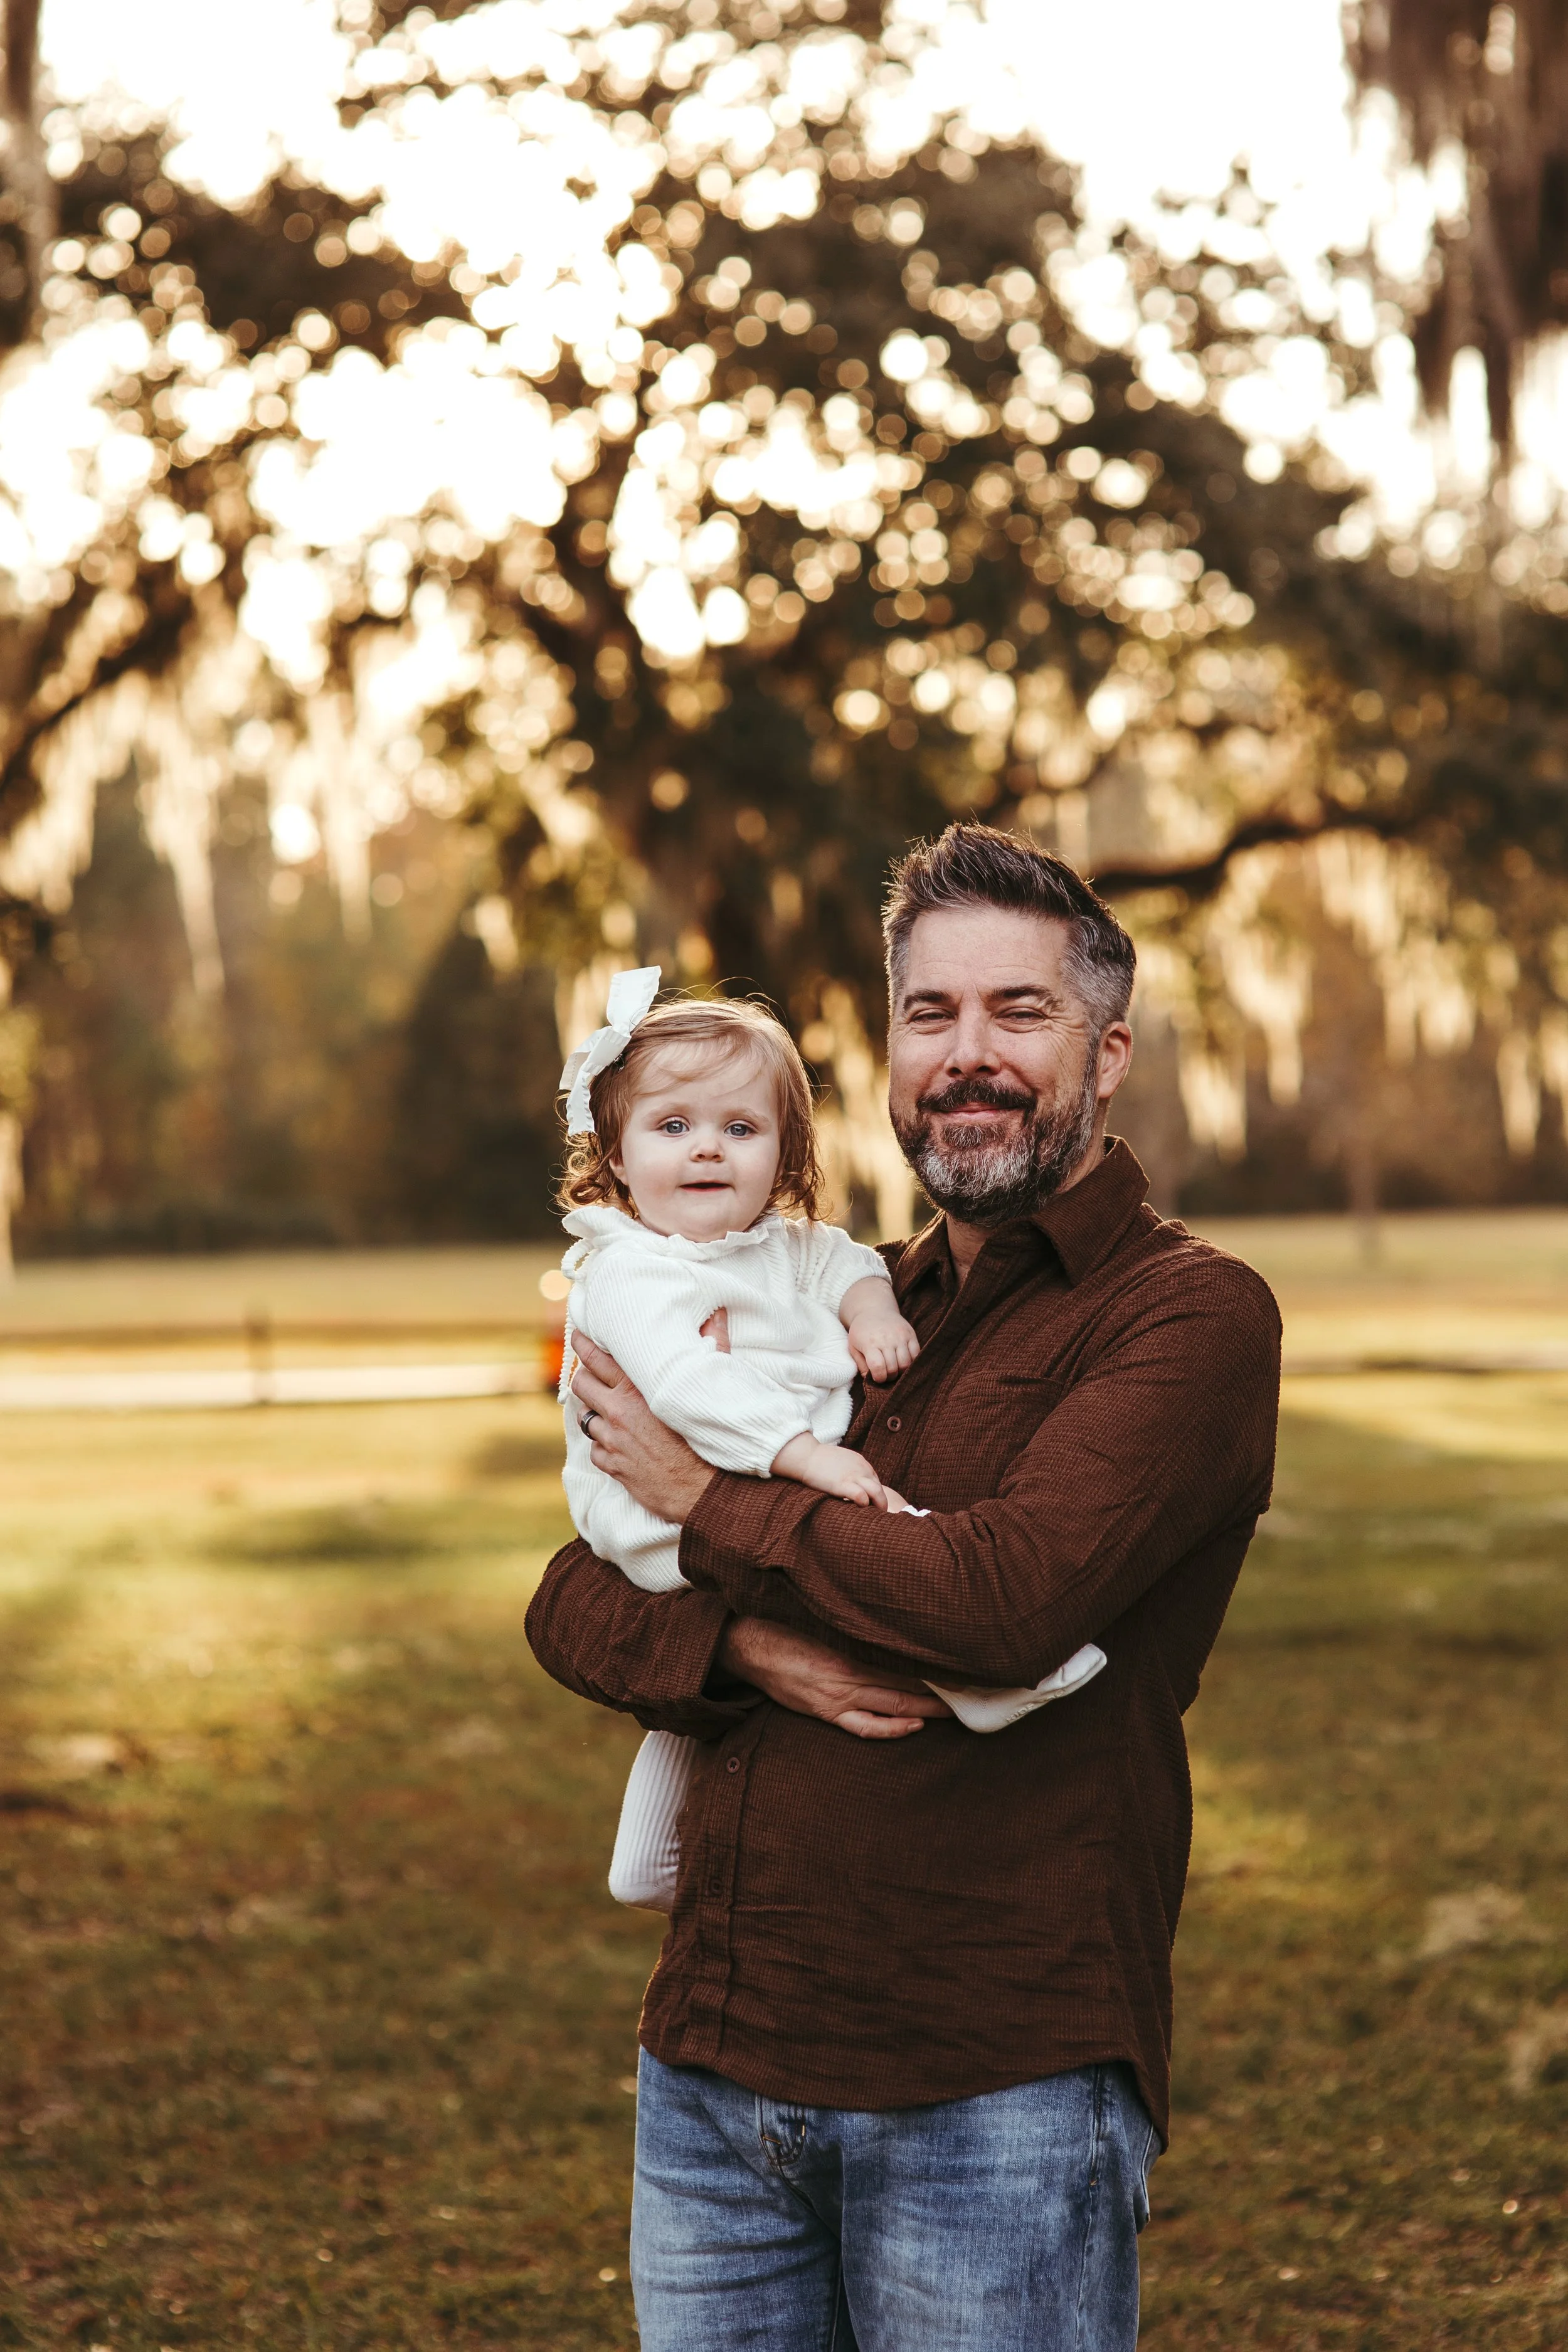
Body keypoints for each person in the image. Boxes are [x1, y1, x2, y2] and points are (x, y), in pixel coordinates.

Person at [526, 823, 1282, 2352]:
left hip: (990, 2089)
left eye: (1020, 1012)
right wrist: (754, 1645)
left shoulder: (1185, 1319)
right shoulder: (815, 1295)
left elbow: (997, 1600)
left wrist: (704, 1504)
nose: (967, 1057)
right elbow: (569, 1596)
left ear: (1108, 1048)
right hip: (718, 2073)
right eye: (929, 1015)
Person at [554, 974, 1104, 1912]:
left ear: (783, 1150)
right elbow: (688, 1387)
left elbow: (847, 1262)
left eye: (740, 1129)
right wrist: (805, 1459)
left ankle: (642, 1868)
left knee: (780, 1596)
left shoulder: (779, 1244)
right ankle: (986, 1685)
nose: (707, 1151)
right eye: (672, 1126)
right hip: (648, 1514)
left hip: (739, 1488)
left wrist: (872, 1308)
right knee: (874, 1526)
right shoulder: (627, 1270)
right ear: (616, 1149)